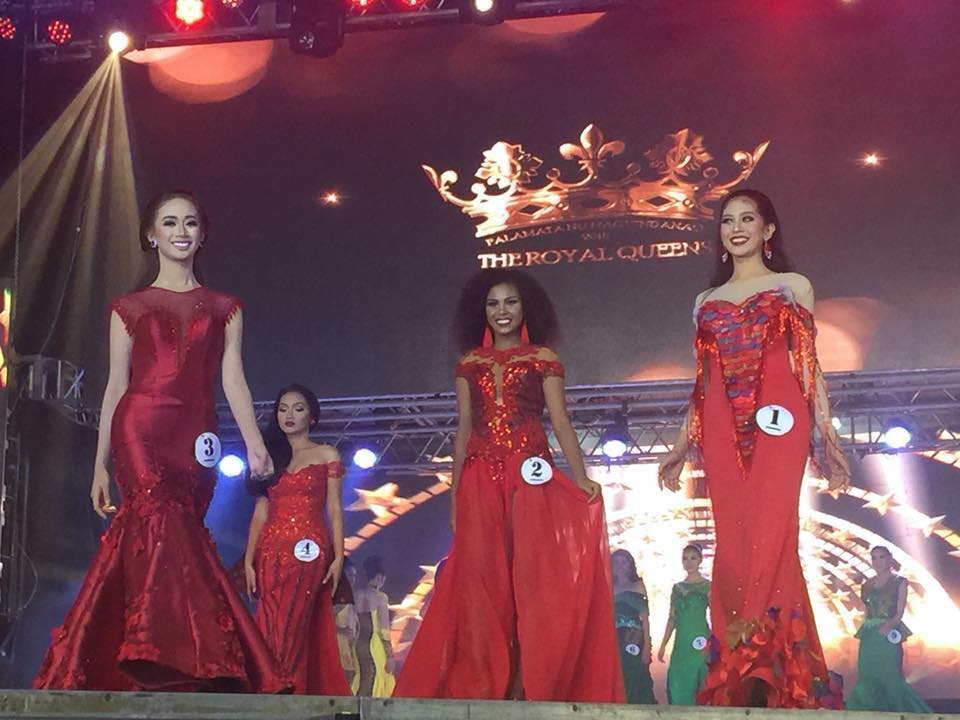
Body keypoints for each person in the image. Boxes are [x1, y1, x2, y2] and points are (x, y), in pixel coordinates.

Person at [34, 191, 285, 692]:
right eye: (169, 223)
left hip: (197, 438)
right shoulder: (128, 307)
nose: (180, 231)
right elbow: (115, 386)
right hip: (141, 428)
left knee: (178, 531)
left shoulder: (226, 308)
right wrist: (100, 464)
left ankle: (142, 656)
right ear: (151, 235)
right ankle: (160, 655)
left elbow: (233, 381)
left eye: (190, 223)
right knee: (158, 520)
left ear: (203, 234)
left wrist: (255, 443)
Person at [657, 189, 850, 708]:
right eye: (728, 220)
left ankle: (772, 666)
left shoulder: (792, 287)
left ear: (768, 230)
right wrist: (679, 446)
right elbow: (702, 383)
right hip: (722, 421)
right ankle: (742, 668)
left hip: (781, 416)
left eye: (748, 219)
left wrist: (828, 436)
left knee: (772, 533)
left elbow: (808, 365)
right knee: (734, 540)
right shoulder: (705, 301)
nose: (737, 228)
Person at [394, 269, 624, 702]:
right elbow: (464, 430)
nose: (502, 311)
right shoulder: (469, 363)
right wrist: (455, 498)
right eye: (493, 303)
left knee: (530, 579)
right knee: (483, 584)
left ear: (525, 307)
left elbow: (560, 421)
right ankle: (488, 685)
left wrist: (581, 476)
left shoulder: (543, 357)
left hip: (530, 474)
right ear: (481, 310)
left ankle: (528, 685)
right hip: (480, 478)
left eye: (511, 302)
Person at [244, 383, 351, 694]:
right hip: (269, 551)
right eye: (283, 409)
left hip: (309, 551)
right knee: (267, 622)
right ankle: (270, 691)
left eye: (298, 408)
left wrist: (339, 556)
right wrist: (248, 561)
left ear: (312, 417)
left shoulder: (327, 454)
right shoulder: (268, 457)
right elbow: (260, 513)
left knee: (292, 623)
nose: (289, 415)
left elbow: (334, 508)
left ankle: (282, 692)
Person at [847, 546, 931, 712]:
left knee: (891, 676)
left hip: (887, 634)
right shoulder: (867, 585)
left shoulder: (899, 581)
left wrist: (889, 625)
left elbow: (899, 612)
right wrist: (866, 628)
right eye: (874, 558)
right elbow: (867, 611)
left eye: (882, 557)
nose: (878, 561)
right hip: (869, 636)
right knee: (867, 677)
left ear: (890, 558)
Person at [656, 544, 710, 705]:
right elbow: (672, 619)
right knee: (676, 680)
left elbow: (716, 614)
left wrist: (716, 642)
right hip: (681, 642)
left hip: (700, 639)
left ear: (700, 560)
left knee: (699, 679)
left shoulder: (707, 586)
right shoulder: (677, 588)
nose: (689, 562)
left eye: (693, 558)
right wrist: (663, 644)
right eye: (685, 559)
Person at [611, 549, 656, 704]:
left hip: (635, 639)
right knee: (619, 679)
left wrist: (647, 648)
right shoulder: (608, 587)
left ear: (630, 565)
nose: (620, 566)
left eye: (623, 562)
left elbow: (645, 619)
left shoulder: (639, 586)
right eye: (616, 562)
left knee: (637, 677)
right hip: (615, 640)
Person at [352, 556, 396, 697]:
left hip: (357, 646)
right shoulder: (381, 597)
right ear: (379, 577)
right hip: (374, 646)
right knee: (379, 679)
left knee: (361, 680)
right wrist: (390, 656)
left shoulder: (355, 596)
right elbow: (384, 630)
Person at [334, 558, 360, 689]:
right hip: (338, 650)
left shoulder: (351, 597)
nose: (352, 579)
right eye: (349, 575)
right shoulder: (334, 597)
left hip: (350, 650)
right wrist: (341, 630)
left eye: (354, 575)